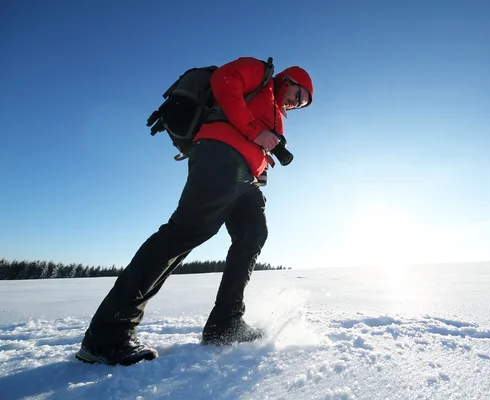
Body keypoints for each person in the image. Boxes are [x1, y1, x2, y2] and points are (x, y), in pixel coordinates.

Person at [75, 56, 314, 366]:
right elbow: (224, 81)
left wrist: (263, 162)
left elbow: (257, 142)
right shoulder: (261, 74)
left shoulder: (276, 114)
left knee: (253, 232)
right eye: (299, 95)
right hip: (220, 155)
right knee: (186, 232)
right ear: (289, 80)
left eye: (302, 104)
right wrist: (256, 131)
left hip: (246, 175)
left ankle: (225, 322)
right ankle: (106, 335)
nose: (296, 103)